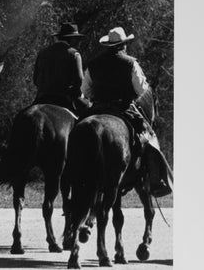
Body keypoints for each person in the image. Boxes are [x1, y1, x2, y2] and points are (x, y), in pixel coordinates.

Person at [83, 26, 174, 197]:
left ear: (109, 45)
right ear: (123, 45)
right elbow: (141, 90)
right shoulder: (131, 63)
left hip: (97, 108)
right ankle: (155, 181)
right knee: (150, 137)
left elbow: (85, 90)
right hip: (123, 107)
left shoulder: (93, 64)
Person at [32, 22, 90, 115]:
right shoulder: (74, 54)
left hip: (41, 97)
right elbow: (79, 82)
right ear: (71, 38)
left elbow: (35, 80)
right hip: (64, 99)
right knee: (88, 115)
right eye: (75, 38)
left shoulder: (42, 52)